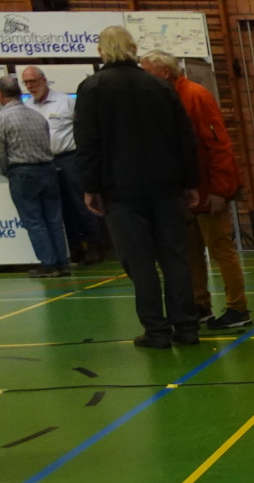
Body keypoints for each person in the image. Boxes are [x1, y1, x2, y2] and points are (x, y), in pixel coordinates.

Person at [75, 26, 201, 349]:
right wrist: (190, 182)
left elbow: (88, 144)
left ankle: (156, 331)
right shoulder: (159, 86)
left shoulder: (92, 88)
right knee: (175, 257)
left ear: (101, 52)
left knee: (139, 262)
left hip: (121, 189)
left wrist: (91, 187)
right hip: (167, 186)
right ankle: (187, 327)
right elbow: (185, 138)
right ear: (133, 48)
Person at [140, 52, 252, 331]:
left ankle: (238, 307)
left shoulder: (195, 95)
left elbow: (218, 144)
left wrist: (220, 189)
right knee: (191, 251)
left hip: (208, 189)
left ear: (164, 72)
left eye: (147, 70)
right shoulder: (168, 98)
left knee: (221, 250)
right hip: (187, 191)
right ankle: (200, 304)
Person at [0, 75, 69, 278]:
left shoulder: (0, 119)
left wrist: (7, 172)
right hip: (48, 170)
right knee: (54, 220)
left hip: (22, 172)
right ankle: (62, 262)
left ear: (0, 95)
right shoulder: (37, 116)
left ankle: (49, 264)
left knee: (34, 221)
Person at [19, 66, 103, 264]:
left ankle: (95, 246)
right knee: (60, 209)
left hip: (70, 159)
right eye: (26, 83)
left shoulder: (66, 101)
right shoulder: (27, 107)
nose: (30, 86)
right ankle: (74, 248)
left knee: (81, 204)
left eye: (33, 81)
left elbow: (84, 129)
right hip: (44, 162)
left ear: (44, 80)